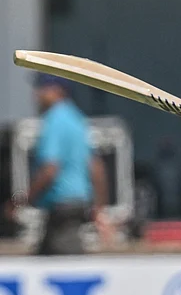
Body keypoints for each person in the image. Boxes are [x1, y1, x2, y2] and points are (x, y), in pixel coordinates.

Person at [5, 73, 109, 255]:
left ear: (57, 91)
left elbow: (49, 169)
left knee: (62, 262)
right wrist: (99, 207)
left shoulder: (54, 120)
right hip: (79, 204)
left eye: (42, 89)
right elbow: (96, 166)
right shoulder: (77, 119)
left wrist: (21, 200)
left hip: (62, 205)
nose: (36, 94)